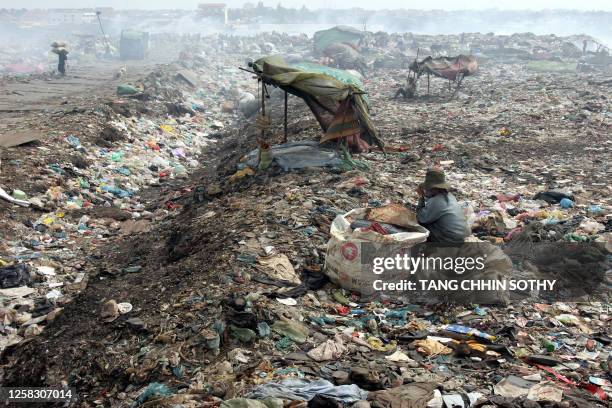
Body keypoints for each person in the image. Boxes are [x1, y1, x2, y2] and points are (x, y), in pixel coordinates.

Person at [415, 169, 470, 243]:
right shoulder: (450, 196)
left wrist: (421, 197)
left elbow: (421, 218)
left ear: (432, 188)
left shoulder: (436, 201)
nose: (426, 191)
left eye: (427, 189)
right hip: (461, 236)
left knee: (421, 226)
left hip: (450, 240)